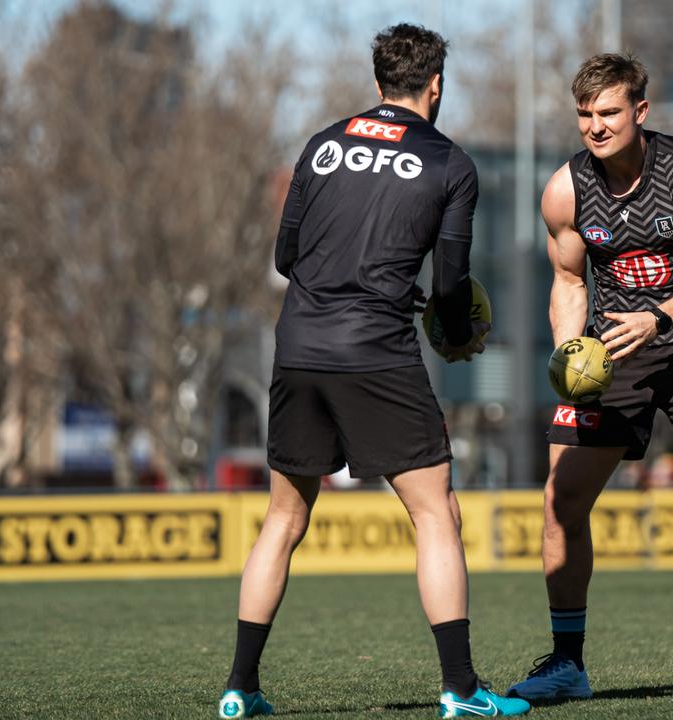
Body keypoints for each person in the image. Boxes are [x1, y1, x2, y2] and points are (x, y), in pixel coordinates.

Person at [218, 23, 529, 719]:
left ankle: (239, 689)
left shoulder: (323, 144)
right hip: (375, 352)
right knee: (435, 514)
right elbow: (451, 283)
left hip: (298, 346)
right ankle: (461, 691)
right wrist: (452, 330)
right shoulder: (450, 165)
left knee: (283, 520)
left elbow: (284, 257)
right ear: (436, 85)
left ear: (379, 80)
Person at [506, 53, 673, 702]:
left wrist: (661, 317)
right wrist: (571, 351)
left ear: (640, 112)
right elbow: (569, 281)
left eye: (609, 112)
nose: (595, 126)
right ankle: (568, 664)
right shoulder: (565, 190)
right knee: (562, 501)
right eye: (584, 115)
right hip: (612, 356)